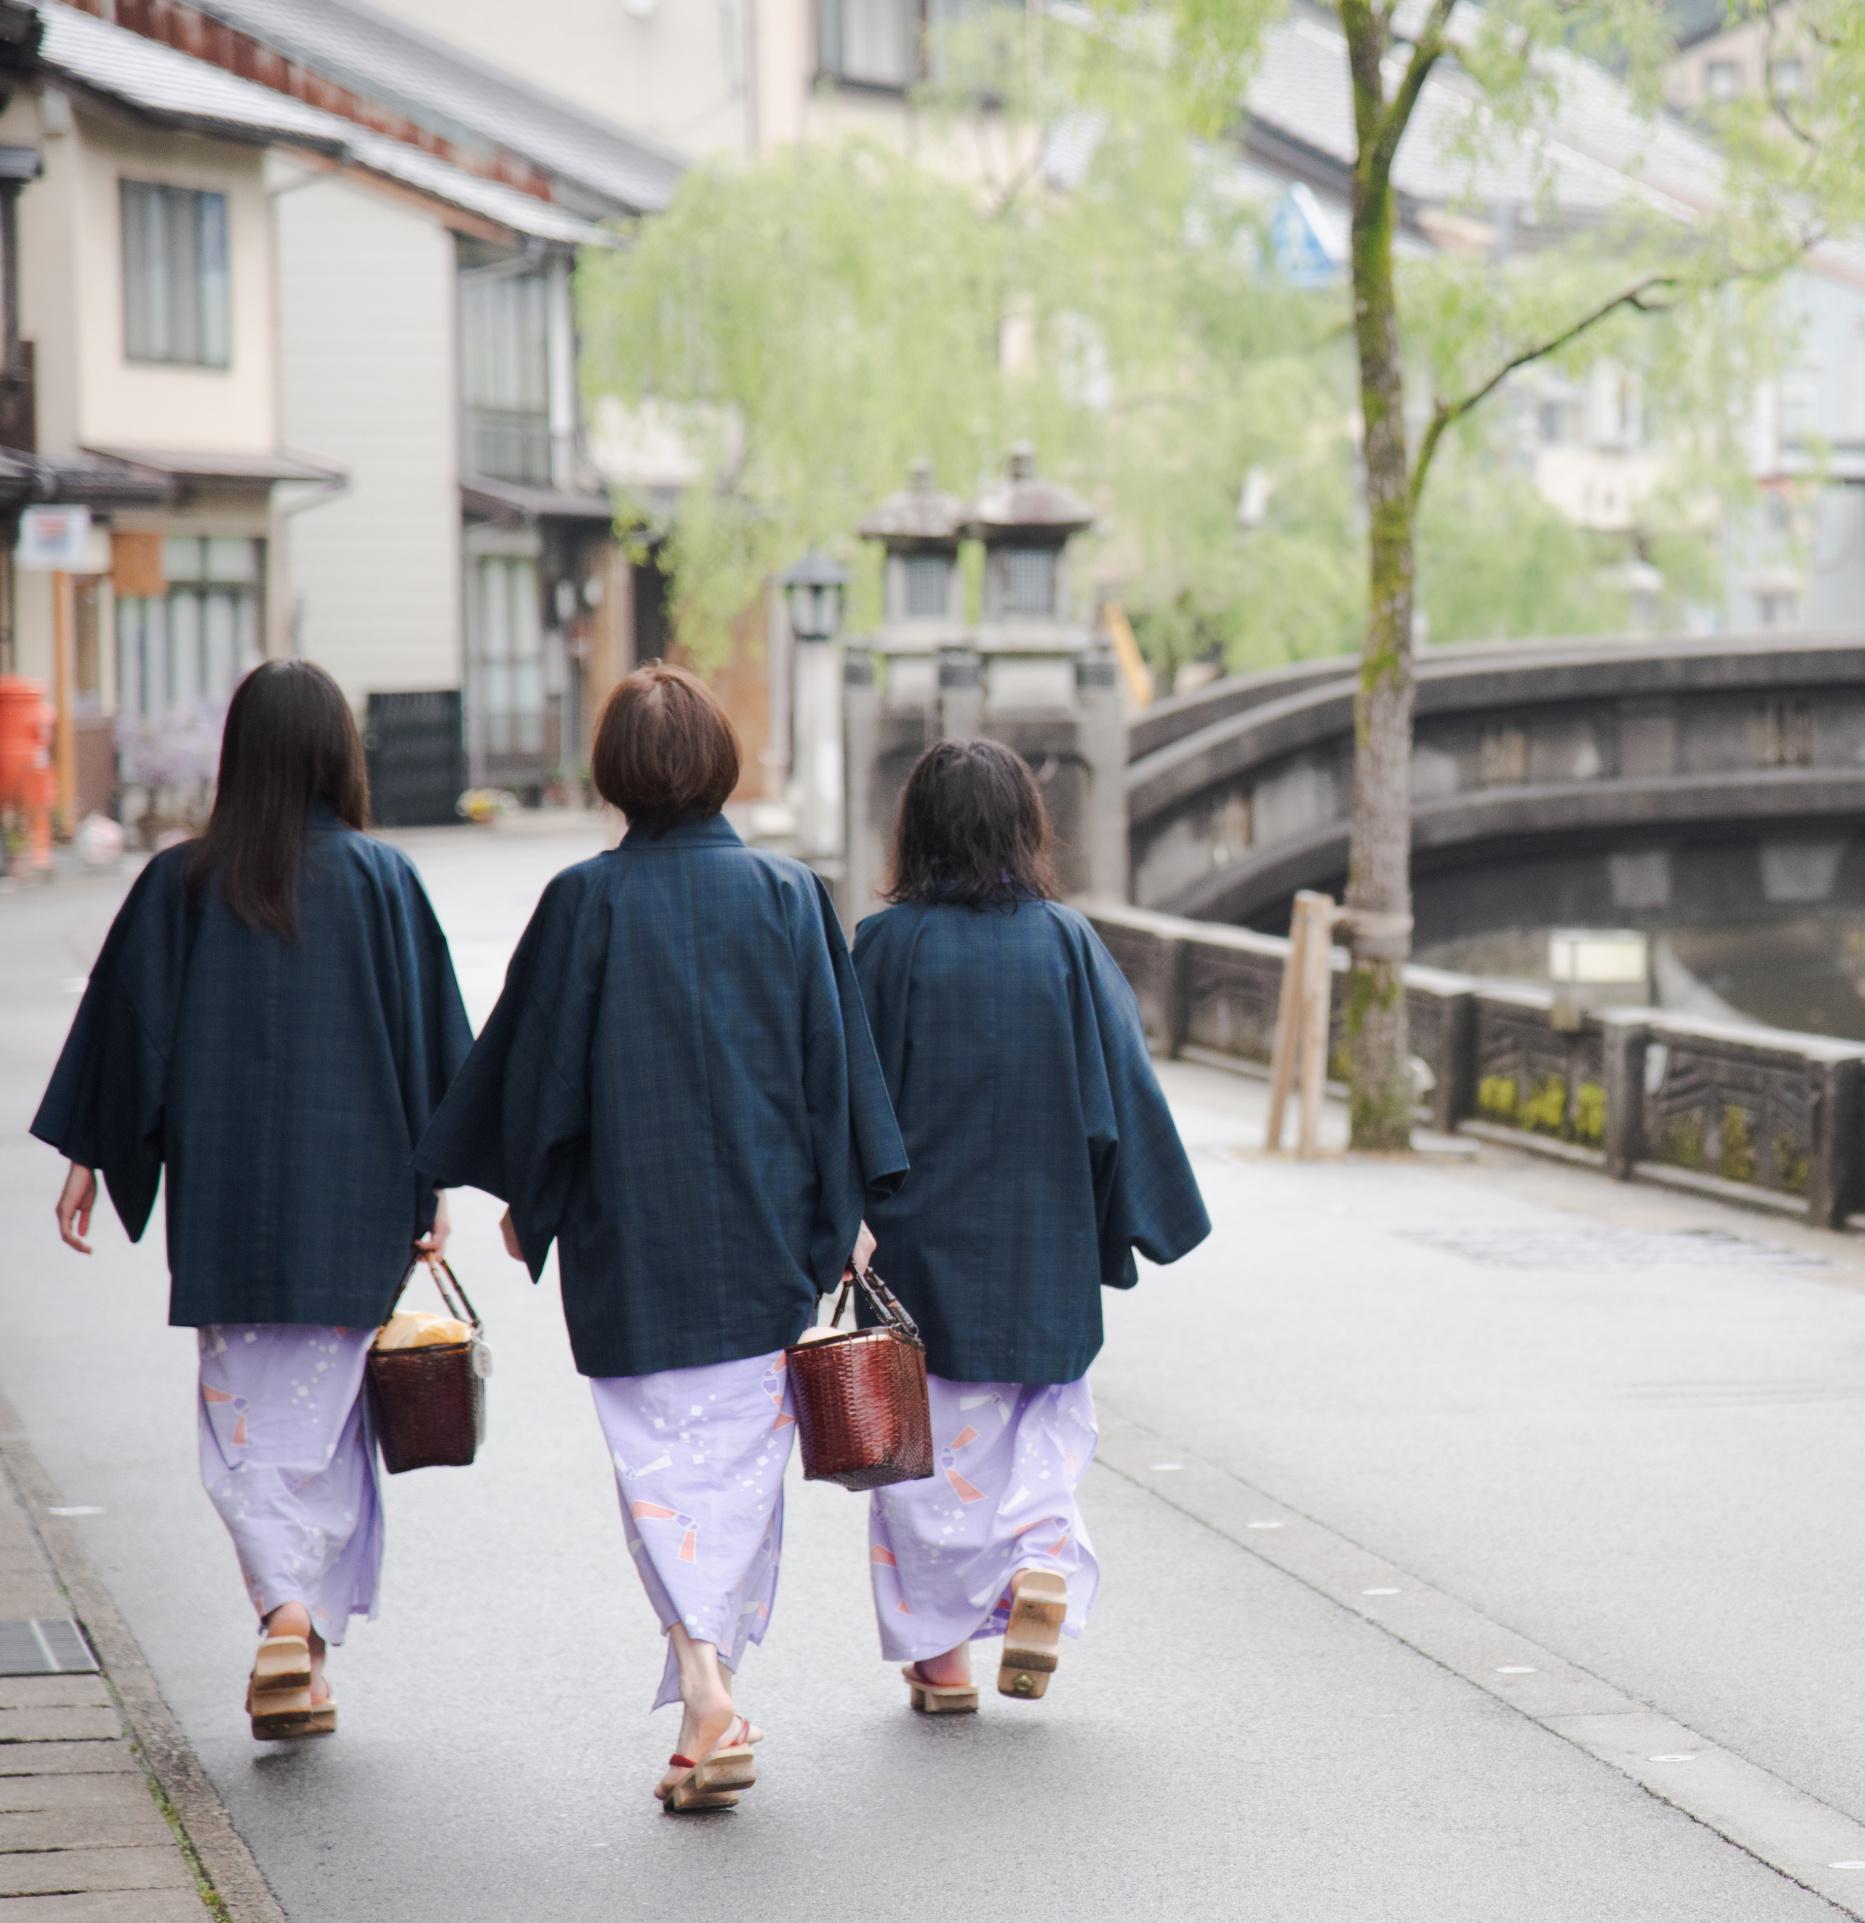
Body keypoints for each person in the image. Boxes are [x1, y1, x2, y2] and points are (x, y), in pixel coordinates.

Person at [417, 665, 904, 1811]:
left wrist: (530, 1192)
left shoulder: (584, 901)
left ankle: (704, 1687)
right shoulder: (789, 897)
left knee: (658, 1473)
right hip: (768, 1229)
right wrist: (851, 1213)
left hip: (629, 1236)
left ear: (616, 772)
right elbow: (835, 1074)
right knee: (734, 1472)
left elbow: (538, 1078)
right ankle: (710, 1691)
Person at [32, 660, 471, 1743]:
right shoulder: (384, 883)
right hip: (355, 1206)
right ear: (338, 754)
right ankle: (293, 1622)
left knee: (246, 1428)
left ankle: (294, 1643)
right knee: (322, 1431)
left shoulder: (182, 884)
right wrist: (432, 1182)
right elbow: (434, 1053)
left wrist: (90, 1153)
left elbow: (126, 1044)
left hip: (228, 1213)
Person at [850, 739, 1208, 1714]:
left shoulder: (886, 948)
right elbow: (1118, 1098)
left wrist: (833, 1217)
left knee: (929, 1469)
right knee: (1041, 1433)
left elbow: (840, 1099)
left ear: (916, 830)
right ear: (1024, 828)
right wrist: (1149, 1216)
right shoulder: (1065, 940)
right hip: (1045, 1248)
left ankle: (943, 1660)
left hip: (918, 1260)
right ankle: (1041, 1559)